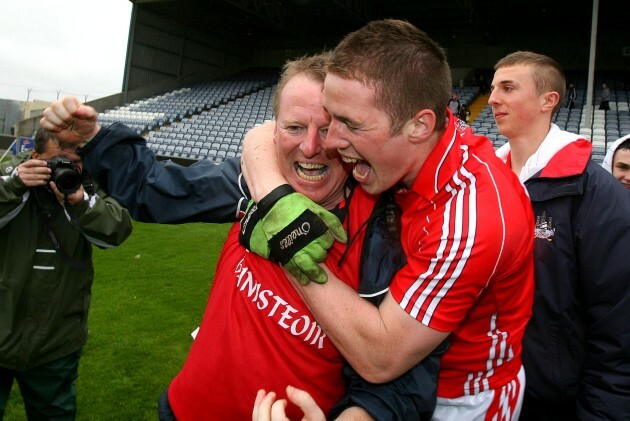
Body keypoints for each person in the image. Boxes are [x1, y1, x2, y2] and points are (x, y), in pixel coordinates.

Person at [40, 54, 444, 420]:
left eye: (327, 129)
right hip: (181, 410)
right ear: (273, 132)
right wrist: (94, 141)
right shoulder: (252, 180)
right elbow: (158, 188)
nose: (310, 147)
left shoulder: (386, 233)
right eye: (294, 127)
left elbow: (399, 389)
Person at [241, 19, 535, 420]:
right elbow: (261, 135)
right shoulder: (398, 154)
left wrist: (288, 239)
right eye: (333, 117)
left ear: (419, 125)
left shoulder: (473, 217)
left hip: (461, 398)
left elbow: (381, 357)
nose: (328, 142)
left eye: (351, 125)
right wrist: (274, 194)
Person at [490, 51, 630, 419]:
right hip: (481, 390)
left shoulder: (597, 194)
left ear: (548, 100)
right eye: (492, 88)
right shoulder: (482, 182)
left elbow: (617, 328)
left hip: (554, 401)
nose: (492, 99)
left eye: (508, 87)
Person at [0, 130, 132, 420]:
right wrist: (15, 185)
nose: (66, 168)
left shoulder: (85, 189)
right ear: (35, 157)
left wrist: (80, 201)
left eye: (74, 161)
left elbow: (117, 230)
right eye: (56, 161)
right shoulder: (9, 178)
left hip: (56, 342)